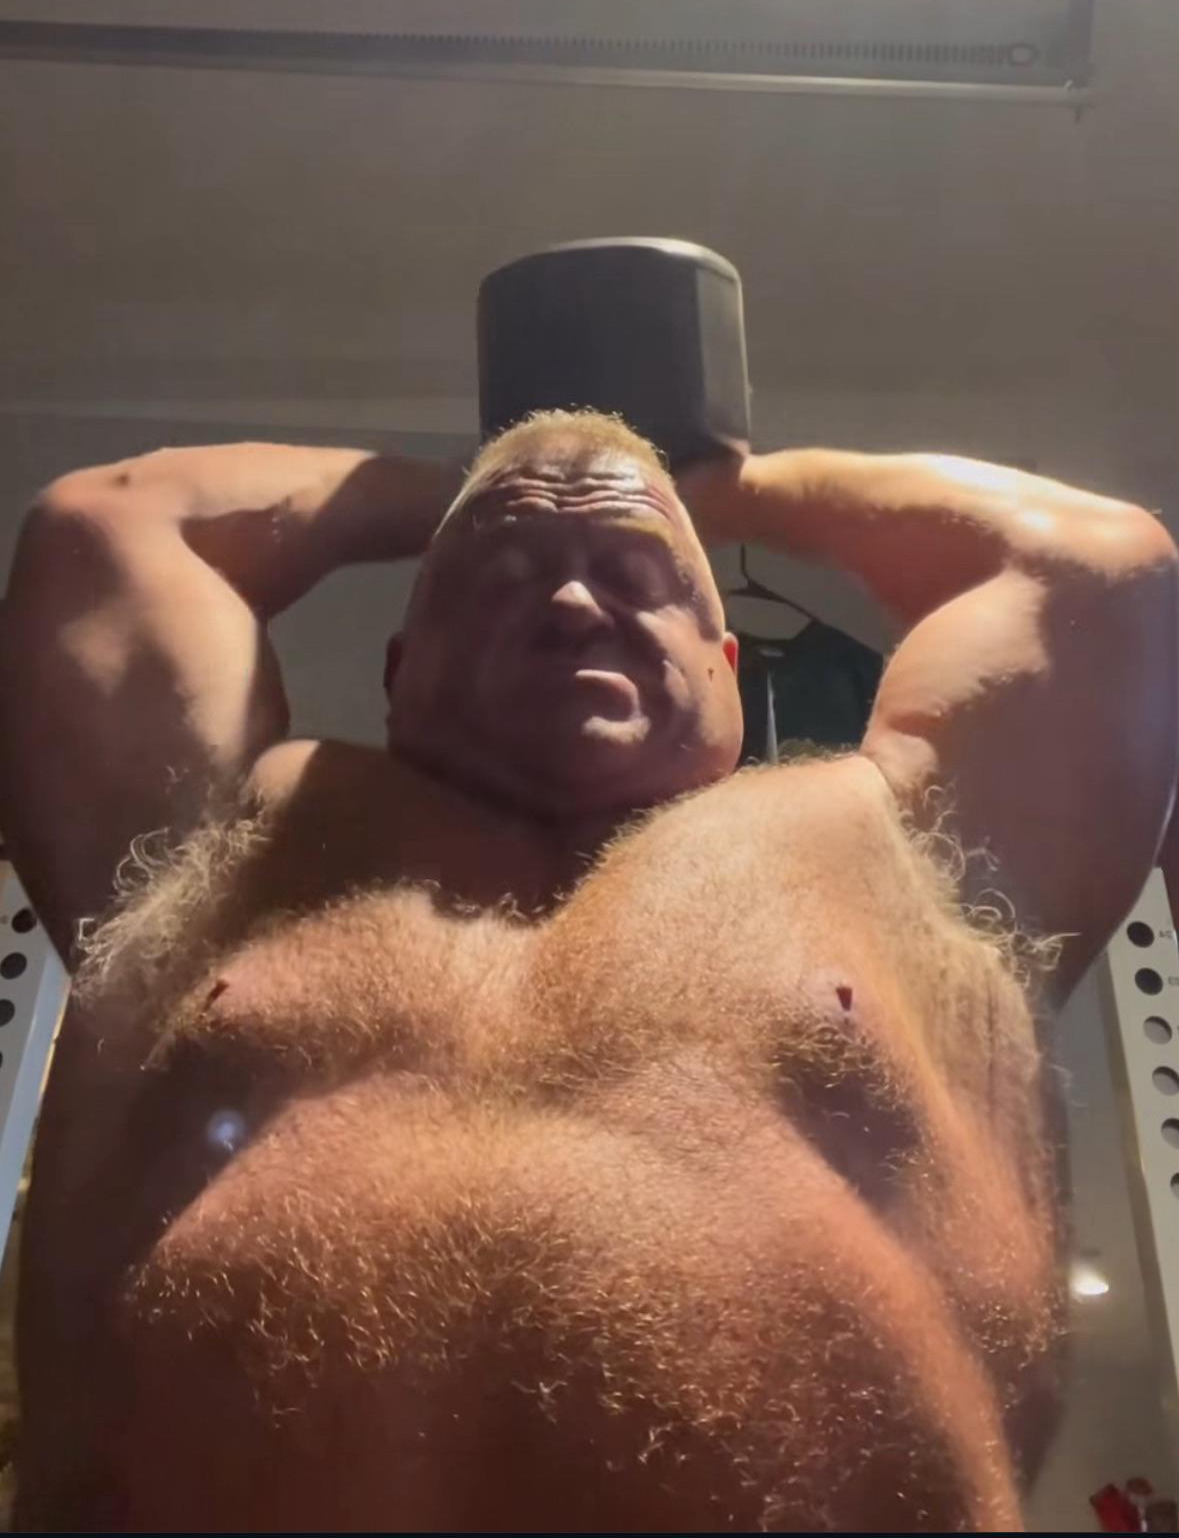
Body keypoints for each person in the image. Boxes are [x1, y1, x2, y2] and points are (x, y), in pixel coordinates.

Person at [0, 411, 1175, 1532]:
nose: (569, 603)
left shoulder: (905, 846)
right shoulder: (231, 835)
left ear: (726, 663)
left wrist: (717, 490)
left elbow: (1097, 564)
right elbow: (109, 524)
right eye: (498, 579)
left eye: (636, 574)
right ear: (401, 667)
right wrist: (473, 489)